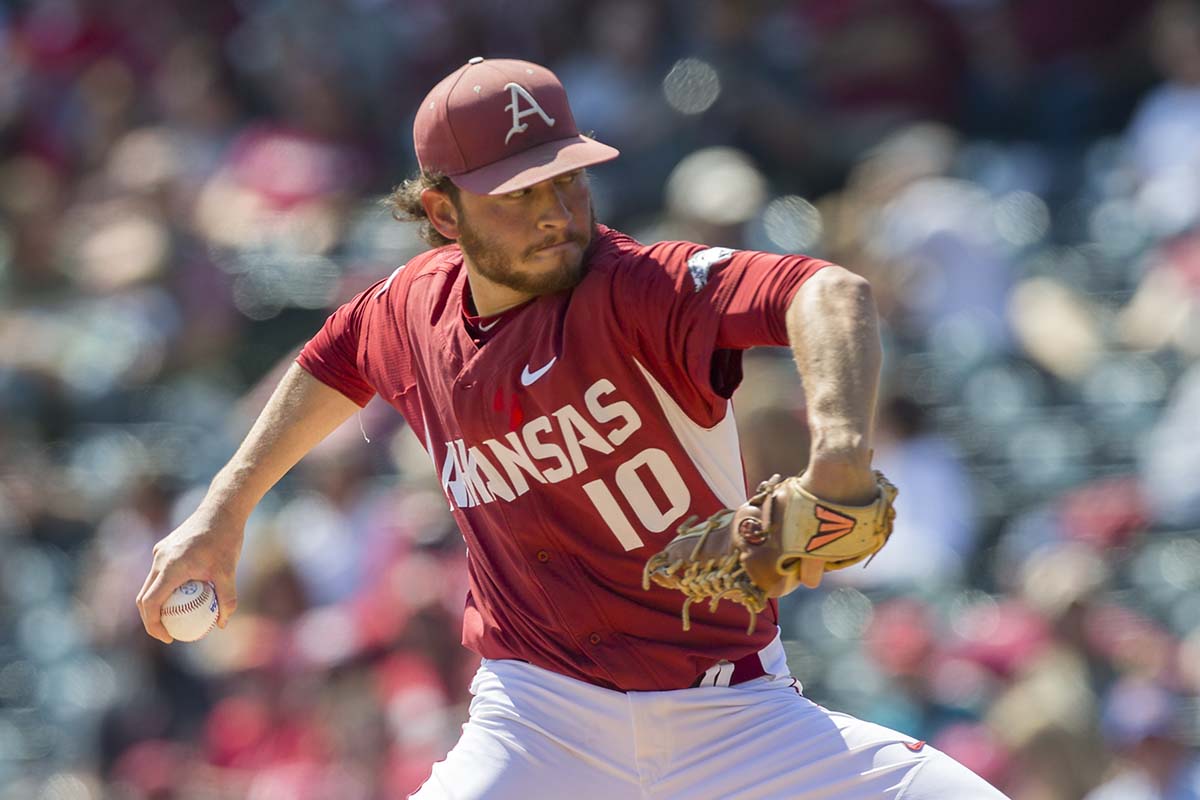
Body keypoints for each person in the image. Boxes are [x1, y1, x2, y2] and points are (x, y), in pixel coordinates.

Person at [137, 57, 1007, 799]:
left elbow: (828, 293)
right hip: (539, 726)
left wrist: (841, 453)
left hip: (736, 714)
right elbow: (330, 364)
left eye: (567, 175)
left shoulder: (638, 289)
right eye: (518, 192)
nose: (556, 209)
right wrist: (224, 511)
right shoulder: (409, 312)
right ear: (444, 215)